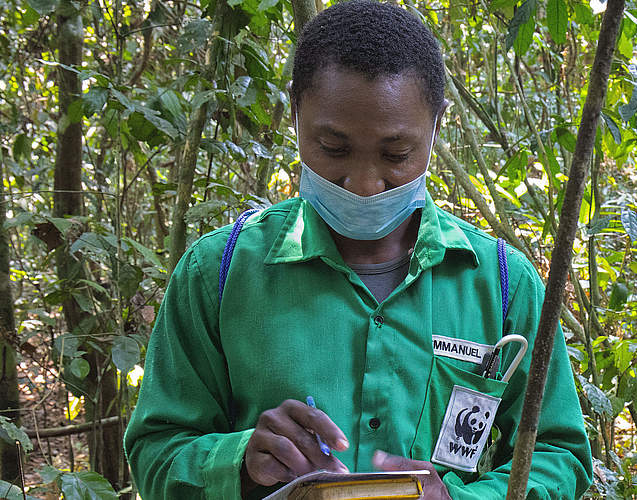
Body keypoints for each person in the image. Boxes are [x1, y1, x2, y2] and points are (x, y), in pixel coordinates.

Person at [123, 2, 592, 498]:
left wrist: (461, 497)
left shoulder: (501, 283)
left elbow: (558, 454)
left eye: (396, 155)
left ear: (436, 127)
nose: (365, 185)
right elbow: (156, 451)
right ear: (296, 112)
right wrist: (240, 462)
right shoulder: (218, 273)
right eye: (333, 148)